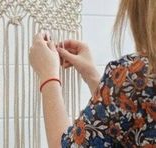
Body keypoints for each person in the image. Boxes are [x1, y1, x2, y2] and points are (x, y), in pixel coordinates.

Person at [29, 0, 156, 147]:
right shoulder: (137, 78)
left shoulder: (138, 74)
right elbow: (131, 116)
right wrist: (93, 77)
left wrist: (48, 74)